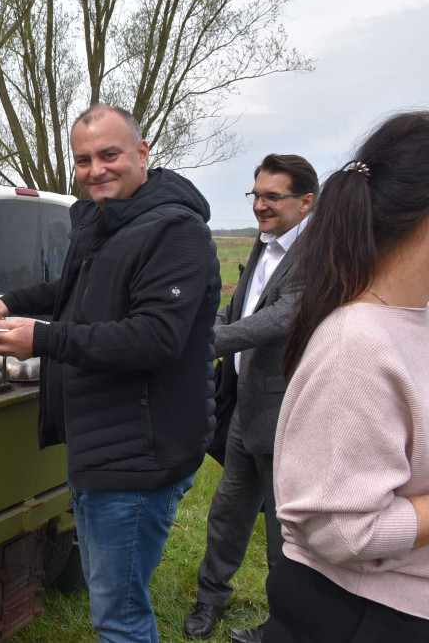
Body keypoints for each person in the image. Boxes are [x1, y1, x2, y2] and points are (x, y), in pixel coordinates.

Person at [0, 104, 221, 643]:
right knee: (114, 601)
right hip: (100, 442)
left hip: (139, 452)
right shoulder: (102, 223)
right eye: (83, 160)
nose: (96, 170)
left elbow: (155, 336)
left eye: (109, 155)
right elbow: (76, 296)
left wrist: (40, 338)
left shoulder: (175, 232)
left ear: (142, 153)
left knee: (120, 617)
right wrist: (13, 298)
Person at [265, 111, 429, 642]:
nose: (260, 205)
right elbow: (340, 529)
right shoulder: (356, 344)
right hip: (367, 617)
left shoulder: (410, 322)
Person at [183, 154, 318, 643]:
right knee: (229, 512)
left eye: (272, 196)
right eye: (256, 195)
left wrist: (201, 345)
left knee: (285, 532)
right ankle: (210, 600)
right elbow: (243, 308)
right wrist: (207, 326)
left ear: (306, 201)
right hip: (246, 408)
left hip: (289, 415)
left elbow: (280, 318)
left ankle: (283, 625)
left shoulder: (316, 254)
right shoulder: (267, 245)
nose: (261, 205)